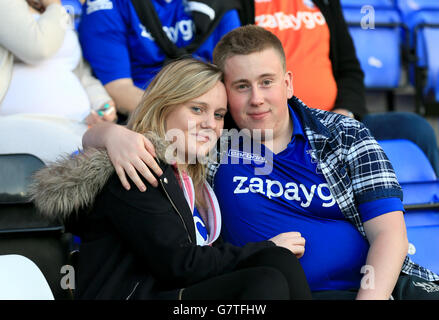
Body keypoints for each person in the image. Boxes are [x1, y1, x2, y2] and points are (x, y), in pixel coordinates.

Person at [83, 25, 439, 300]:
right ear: (224, 90)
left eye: (266, 82)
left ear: (287, 83)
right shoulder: (211, 142)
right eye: (241, 86)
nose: (256, 99)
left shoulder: (343, 135)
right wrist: (110, 135)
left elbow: (390, 233)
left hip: (372, 291)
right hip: (273, 293)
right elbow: (91, 164)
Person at [29, 58, 312, 300]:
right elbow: (179, 264)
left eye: (218, 115)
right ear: (164, 107)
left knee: (277, 262)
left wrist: (271, 251)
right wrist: (266, 246)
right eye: (197, 109)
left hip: (176, 290)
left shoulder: (194, 171)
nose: (210, 123)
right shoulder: (138, 166)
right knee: (264, 281)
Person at [241, 0, 439, 176]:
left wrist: (344, 115)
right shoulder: (239, 6)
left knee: (416, 129)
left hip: (337, 123)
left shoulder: (326, 2)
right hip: (280, 129)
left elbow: (350, 69)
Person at [78, 0, 241, 116]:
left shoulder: (220, 3)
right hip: (147, 114)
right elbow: (119, 89)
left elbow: (236, 76)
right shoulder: (106, 5)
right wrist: (177, 117)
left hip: (216, 113)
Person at [0, 0, 116, 162]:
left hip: (75, 125)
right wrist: (54, 5)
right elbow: (38, 48)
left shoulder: (56, 12)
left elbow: (79, 73)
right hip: (21, 125)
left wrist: (102, 103)